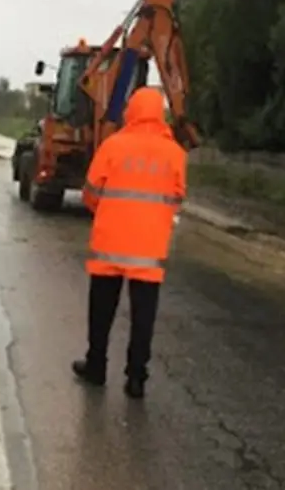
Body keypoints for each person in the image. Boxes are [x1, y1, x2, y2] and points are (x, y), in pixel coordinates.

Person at [71, 87, 187, 399]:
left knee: (101, 310)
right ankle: (136, 378)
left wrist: (107, 212)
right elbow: (176, 197)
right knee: (143, 317)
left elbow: (91, 192)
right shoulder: (175, 153)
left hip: (109, 245)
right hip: (149, 250)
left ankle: (96, 366)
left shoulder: (113, 145)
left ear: (131, 111)